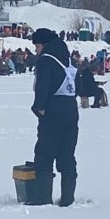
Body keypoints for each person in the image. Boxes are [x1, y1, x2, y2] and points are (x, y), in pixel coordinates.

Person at [29, 28, 79, 207]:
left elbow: (42, 86)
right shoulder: (69, 60)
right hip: (71, 111)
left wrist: (39, 108)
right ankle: (67, 198)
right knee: (67, 154)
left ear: (43, 44)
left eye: (36, 46)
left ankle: (43, 198)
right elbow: (78, 87)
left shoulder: (45, 61)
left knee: (44, 154)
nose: (36, 50)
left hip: (52, 112)